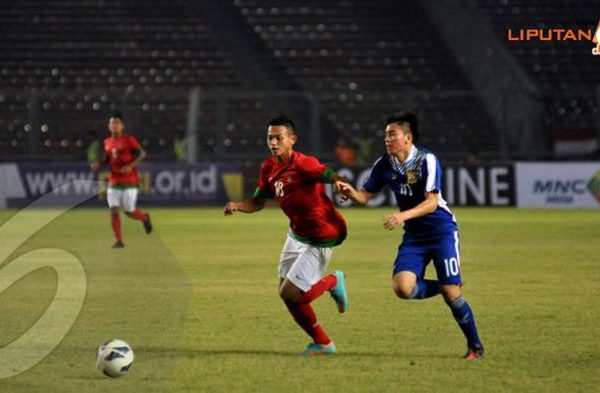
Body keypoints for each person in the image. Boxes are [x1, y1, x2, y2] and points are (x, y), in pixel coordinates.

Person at [337, 112, 484, 359]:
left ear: (407, 137)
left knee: (452, 296)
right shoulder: (384, 164)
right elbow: (364, 196)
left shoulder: (427, 160)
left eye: (392, 134)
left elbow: (432, 203)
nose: (387, 139)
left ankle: (475, 347)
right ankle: (448, 286)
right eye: (385, 135)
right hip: (415, 237)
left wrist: (402, 216)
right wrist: (349, 191)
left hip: (441, 232)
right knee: (402, 288)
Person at [224, 115, 349, 356]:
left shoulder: (303, 163)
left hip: (319, 236)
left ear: (292, 140)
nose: (273, 142)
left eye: (279, 137)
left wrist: (338, 182)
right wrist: (238, 205)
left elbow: (328, 173)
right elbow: (258, 202)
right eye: (270, 137)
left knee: (291, 293)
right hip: (296, 234)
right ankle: (323, 343)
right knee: (287, 294)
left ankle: (333, 281)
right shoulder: (268, 167)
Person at [90, 113, 152, 248]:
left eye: (117, 123)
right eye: (112, 123)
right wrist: (98, 164)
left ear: (122, 126)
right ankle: (119, 240)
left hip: (129, 181)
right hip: (114, 182)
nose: (114, 125)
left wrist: (130, 166)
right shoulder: (107, 142)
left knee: (129, 212)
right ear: (108, 126)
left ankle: (145, 218)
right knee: (114, 210)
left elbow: (142, 154)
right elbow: (107, 159)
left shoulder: (129, 140)